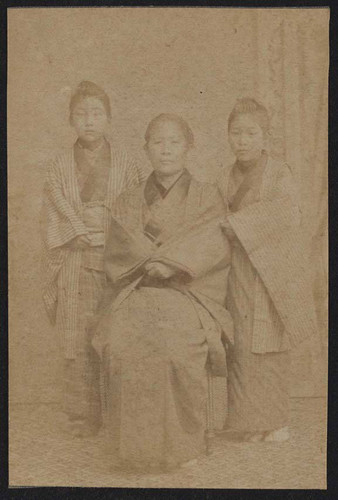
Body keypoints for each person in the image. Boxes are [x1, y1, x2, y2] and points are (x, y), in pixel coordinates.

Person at [92, 113, 233, 471]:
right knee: (123, 346)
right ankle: (133, 451)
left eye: (174, 142)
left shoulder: (207, 196)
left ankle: (183, 449)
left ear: (188, 148)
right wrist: (150, 262)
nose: (166, 150)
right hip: (138, 289)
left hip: (186, 293)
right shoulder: (127, 198)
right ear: (146, 149)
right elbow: (120, 247)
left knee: (175, 350)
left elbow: (213, 240)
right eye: (157, 142)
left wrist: (172, 264)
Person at [42, 81, 146, 437]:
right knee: (78, 335)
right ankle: (83, 417)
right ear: (71, 119)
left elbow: (137, 209)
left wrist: (110, 232)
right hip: (75, 255)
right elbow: (54, 212)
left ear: (109, 118)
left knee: (117, 333)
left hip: (116, 259)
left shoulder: (128, 163)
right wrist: (80, 230)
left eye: (97, 113)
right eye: (81, 114)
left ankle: (119, 412)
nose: (89, 121)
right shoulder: (58, 166)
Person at [219, 98, 317, 442]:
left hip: (271, 272)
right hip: (238, 271)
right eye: (236, 133)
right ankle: (247, 422)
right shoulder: (225, 175)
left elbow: (285, 212)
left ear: (265, 137)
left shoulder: (279, 172)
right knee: (242, 346)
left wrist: (238, 224)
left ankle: (275, 421)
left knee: (269, 346)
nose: (242, 140)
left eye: (250, 133)